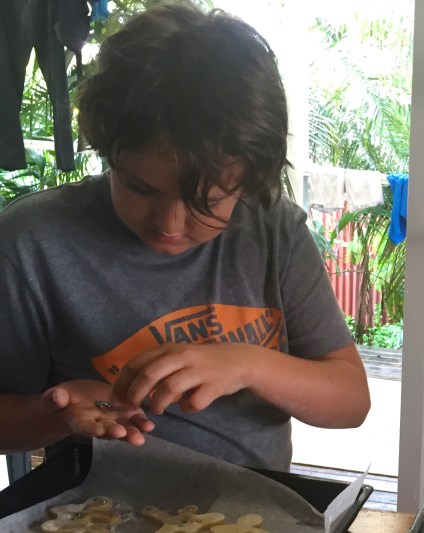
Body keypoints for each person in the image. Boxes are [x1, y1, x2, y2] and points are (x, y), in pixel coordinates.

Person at [0, 2, 370, 471]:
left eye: (207, 202)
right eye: (140, 188)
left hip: (257, 509)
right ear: (109, 152)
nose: (169, 226)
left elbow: (351, 401)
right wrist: (56, 413)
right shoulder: (34, 243)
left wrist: (248, 364)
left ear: (249, 181)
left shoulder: (274, 231)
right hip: (97, 510)